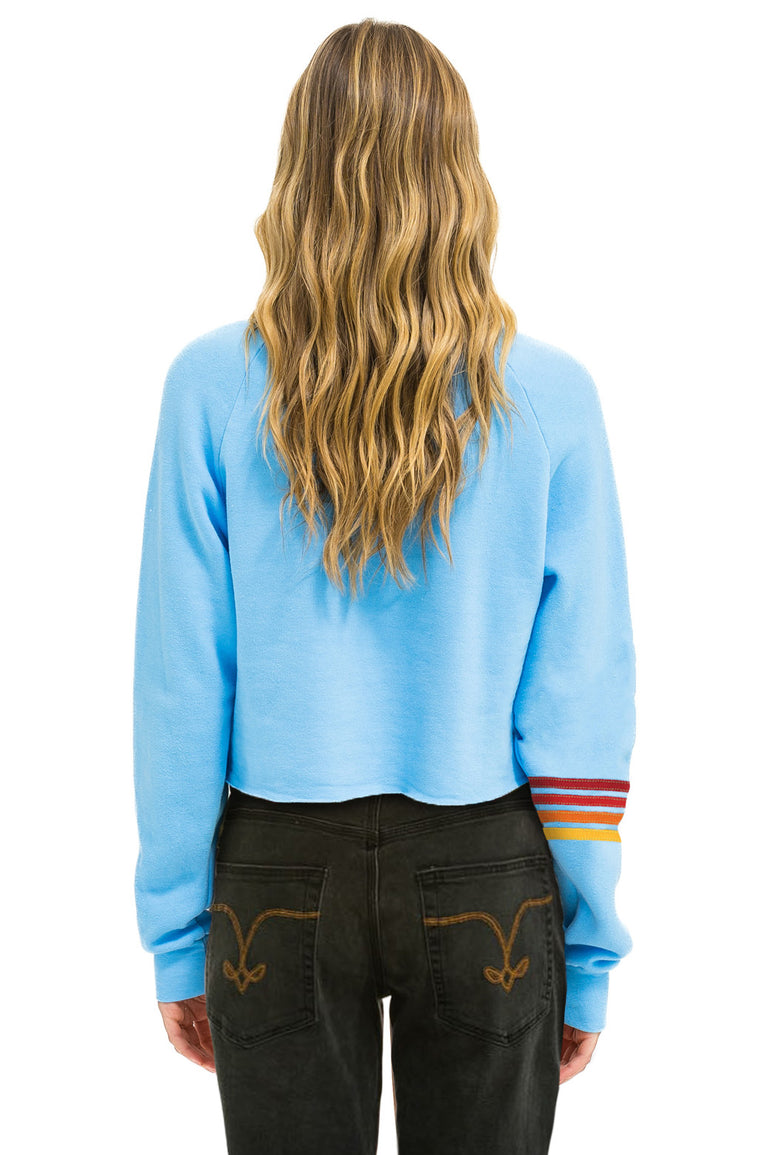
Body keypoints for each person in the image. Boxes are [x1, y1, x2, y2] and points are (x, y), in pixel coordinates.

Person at [132, 18, 635, 1155]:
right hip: (486, 864)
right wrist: (590, 944)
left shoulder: (212, 385)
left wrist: (177, 935)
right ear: (461, 176)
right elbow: (580, 694)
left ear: (297, 173)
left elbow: (181, 685)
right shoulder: (550, 398)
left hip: (274, 867)